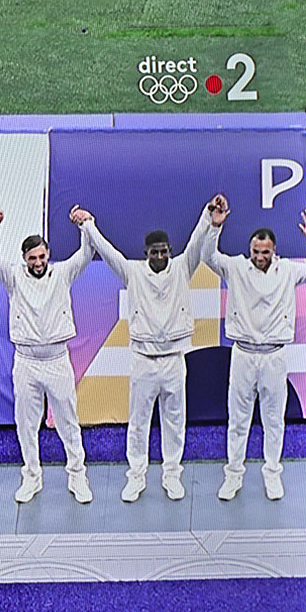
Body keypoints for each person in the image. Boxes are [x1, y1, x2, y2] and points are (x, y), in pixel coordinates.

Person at [78, 199, 214, 502]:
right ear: (146, 253)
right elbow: (107, 252)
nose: (160, 256)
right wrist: (88, 224)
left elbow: (196, 240)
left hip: (174, 360)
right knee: (138, 422)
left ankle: (172, 474)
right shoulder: (133, 272)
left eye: (164, 251)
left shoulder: (182, 268)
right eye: (155, 252)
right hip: (143, 360)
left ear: (170, 251)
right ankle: (136, 476)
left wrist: (208, 214)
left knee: (174, 422)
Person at [202, 200, 306, 501]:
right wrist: (214, 227)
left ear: (274, 251)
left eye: (265, 252)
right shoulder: (236, 267)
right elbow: (208, 256)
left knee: (274, 420)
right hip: (244, 354)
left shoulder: (288, 270)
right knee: (238, 420)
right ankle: (233, 475)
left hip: (274, 356)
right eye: (256, 252)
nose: (260, 257)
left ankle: (272, 474)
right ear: (250, 250)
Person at [0, 210, 95, 504]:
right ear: (24, 258)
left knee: (68, 421)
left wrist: (85, 225)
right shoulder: (13, 277)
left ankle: (77, 475)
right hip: (26, 362)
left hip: (57, 360)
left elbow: (86, 254)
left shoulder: (62, 273)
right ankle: (32, 477)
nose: (38, 262)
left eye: (41, 256)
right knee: (26, 423)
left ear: (48, 254)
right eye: (32, 258)